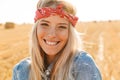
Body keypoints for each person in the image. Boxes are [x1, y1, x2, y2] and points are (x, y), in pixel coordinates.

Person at [12, 0, 102, 80]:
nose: (52, 35)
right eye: (45, 24)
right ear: (36, 28)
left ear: (69, 33)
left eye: (61, 27)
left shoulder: (82, 65)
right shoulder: (20, 70)